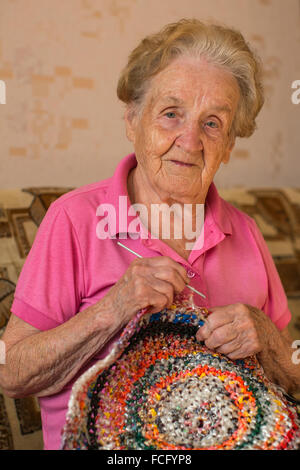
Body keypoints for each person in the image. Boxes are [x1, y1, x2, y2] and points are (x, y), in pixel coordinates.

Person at [0, 18, 299, 450]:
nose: (190, 140)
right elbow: (11, 373)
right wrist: (112, 309)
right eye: (171, 114)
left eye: (213, 123)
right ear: (133, 120)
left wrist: (266, 338)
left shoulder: (247, 232)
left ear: (230, 145)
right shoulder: (74, 219)